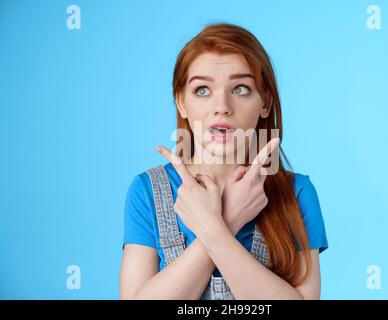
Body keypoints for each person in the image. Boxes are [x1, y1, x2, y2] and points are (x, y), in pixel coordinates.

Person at [119, 23, 328, 300]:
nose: (222, 106)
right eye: (202, 90)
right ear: (181, 102)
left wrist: (214, 230)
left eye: (240, 89)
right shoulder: (147, 190)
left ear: (264, 102)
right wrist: (229, 220)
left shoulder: (297, 193)